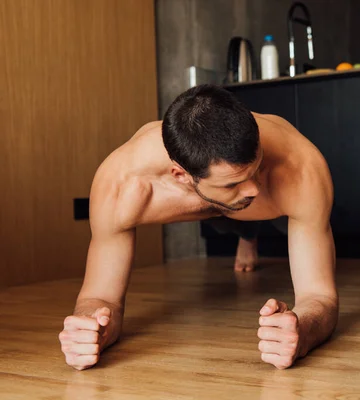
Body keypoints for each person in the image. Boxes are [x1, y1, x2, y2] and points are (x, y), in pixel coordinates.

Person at [58, 84, 338, 371]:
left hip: (268, 210)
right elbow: (101, 297)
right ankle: (243, 231)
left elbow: (319, 296)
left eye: (257, 167)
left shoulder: (299, 166)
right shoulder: (121, 186)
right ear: (180, 175)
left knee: (265, 213)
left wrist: (303, 331)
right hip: (208, 204)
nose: (254, 188)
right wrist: (92, 328)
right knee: (223, 220)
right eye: (234, 182)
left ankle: (248, 229)